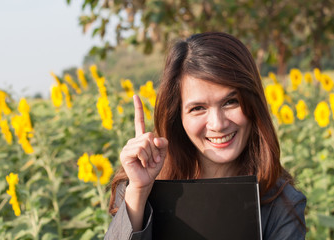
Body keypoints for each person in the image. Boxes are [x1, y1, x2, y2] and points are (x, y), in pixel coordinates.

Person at [104, 32, 306, 240]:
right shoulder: (139, 187)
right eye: (198, 108)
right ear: (177, 116)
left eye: (231, 102)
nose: (218, 124)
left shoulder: (281, 205)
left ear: (253, 104)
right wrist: (138, 192)